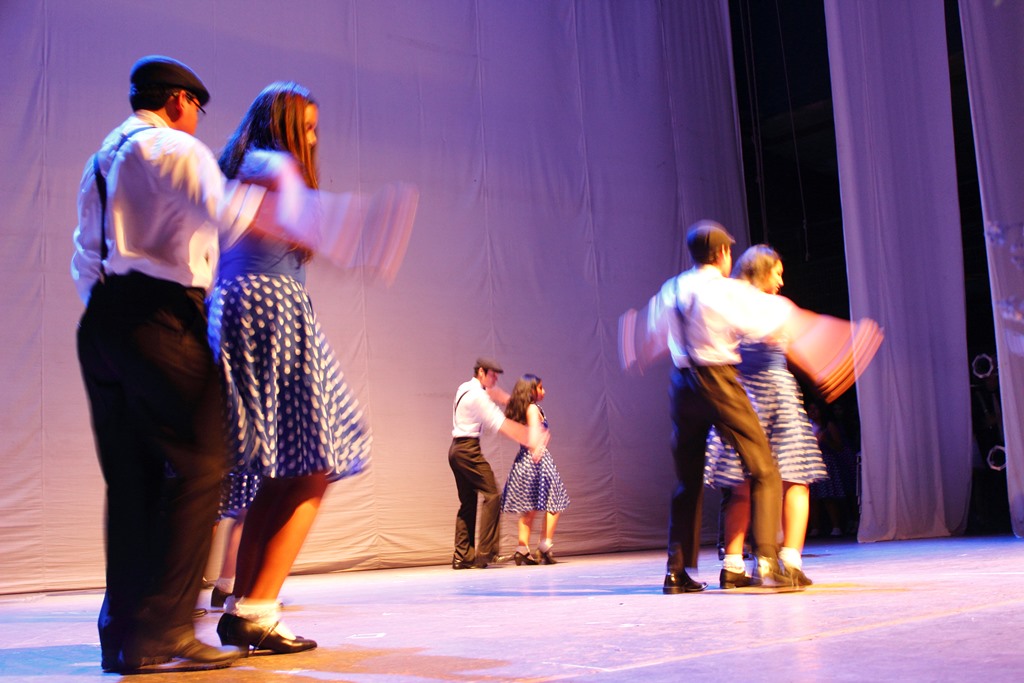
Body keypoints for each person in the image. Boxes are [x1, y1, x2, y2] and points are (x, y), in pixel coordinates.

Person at [71, 55, 276, 674]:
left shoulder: (103, 157)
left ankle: (124, 637)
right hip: (162, 315)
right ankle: (166, 630)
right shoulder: (173, 147)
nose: (196, 122)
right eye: (197, 110)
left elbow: (86, 258)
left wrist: (118, 316)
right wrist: (321, 222)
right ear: (180, 101)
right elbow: (228, 211)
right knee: (200, 466)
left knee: (132, 483)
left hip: (104, 321)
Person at [208, 82, 371, 655]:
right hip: (268, 309)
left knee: (285, 473)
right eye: (305, 128)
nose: (312, 141)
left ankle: (248, 609)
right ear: (279, 127)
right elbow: (298, 206)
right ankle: (257, 605)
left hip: (249, 309)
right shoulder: (266, 163)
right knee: (313, 467)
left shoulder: (239, 170)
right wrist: (360, 223)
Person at [642, 220, 806, 594]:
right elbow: (760, 326)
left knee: (687, 481)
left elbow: (653, 333)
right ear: (722, 253)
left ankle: (675, 572)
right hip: (718, 381)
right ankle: (767, 561)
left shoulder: (672, 288)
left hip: (682, 385)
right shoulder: (726, 290)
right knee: (763, 468)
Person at [704, 245, 826, 589]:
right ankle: (789, 561)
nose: (782, 281)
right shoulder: (775, 307)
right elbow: (808, 344)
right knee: (795, 480)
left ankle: (732, 565)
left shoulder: (727, 307)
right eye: (778, 273)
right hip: (778, 398)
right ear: (762, 272)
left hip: (741, 396)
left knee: (742, 485)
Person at [449, 358, 547, 569]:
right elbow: (500, 423)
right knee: (493, 494)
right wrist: (530, 437)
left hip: (456, 451)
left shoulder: (464, 388)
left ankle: (462, 556)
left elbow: (498, 398)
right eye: (492, 375)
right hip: (468, 450)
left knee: (468, 503)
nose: (495, 379)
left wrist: (505, 399)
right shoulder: (478, 396)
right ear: (481, 372)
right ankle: (486, 553)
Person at [500, 374, 570, 565]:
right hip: (537, 462)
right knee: (555, 501)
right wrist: (540, 443)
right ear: (531, 390)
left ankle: (522, 550)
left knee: (529, 508)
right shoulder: (532, 408)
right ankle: (544, 546)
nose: (543, 391)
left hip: (524, 461)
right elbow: (533, 436)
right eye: (540, 387)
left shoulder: (524, 408)